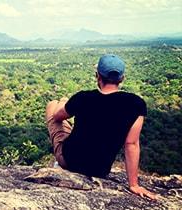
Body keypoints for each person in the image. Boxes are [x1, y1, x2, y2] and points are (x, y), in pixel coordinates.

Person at [46, 54, 156, 200]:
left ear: (97, 75)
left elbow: (57, 117)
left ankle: (61, 102)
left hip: (69, 160)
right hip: (100, 169)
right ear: (122, 79)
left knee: (52, 105)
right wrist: (134, 185)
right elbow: (131, 144)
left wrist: (63, 104)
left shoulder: (83, 97)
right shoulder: (136, 104)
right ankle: (65, 103)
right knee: (69, 107)